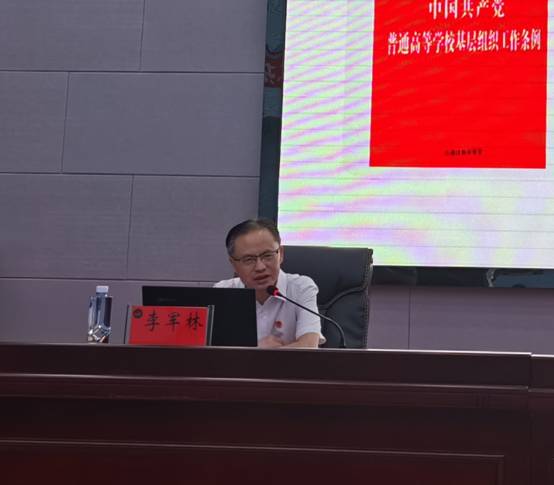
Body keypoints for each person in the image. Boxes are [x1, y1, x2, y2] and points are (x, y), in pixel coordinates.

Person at [214, 218, 324, 348]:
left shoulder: (301, 288)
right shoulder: (223, 292)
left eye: (267, 255)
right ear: (234, 264)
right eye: (249, 259)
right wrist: (259, 349)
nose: (260, 267)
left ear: (280, 254)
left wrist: (254, 353)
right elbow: (215, 353)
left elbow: (309, 346)